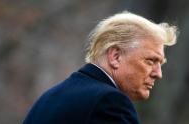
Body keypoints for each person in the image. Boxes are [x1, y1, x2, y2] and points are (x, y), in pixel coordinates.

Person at [23, 11, 177, 124]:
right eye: (151, 61)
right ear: (115, 56)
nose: (158, 74)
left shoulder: (49, 98)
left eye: (160, 64)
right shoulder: (109, 103)